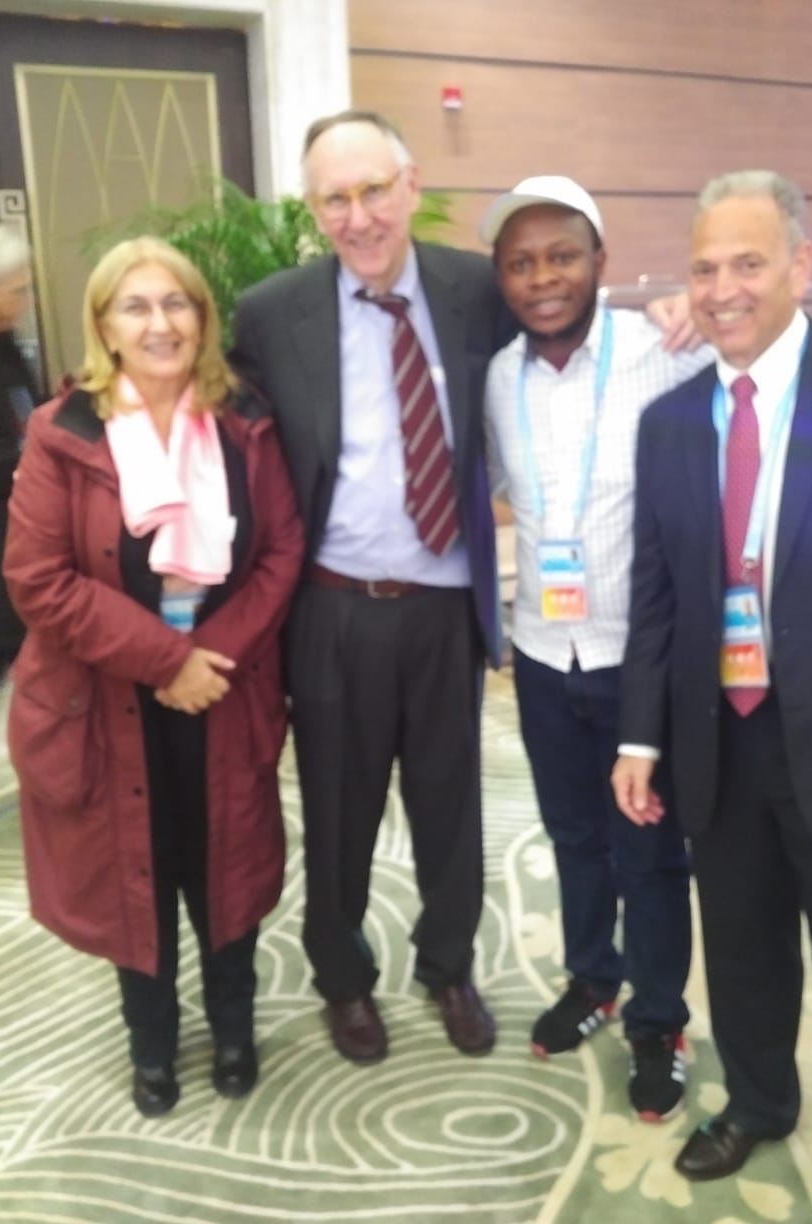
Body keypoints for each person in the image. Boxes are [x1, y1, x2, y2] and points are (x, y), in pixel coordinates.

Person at [480, 175, 812, 1120]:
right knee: (625, 870)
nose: (543, 277)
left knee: (689, 874)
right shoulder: (528, 384)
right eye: (520, 263)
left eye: (563, 256)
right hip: (605, 676)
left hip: (750, 696)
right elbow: (628, 570)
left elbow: (781, 352)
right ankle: (656, 1027)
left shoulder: (684, 350)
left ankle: (675, 1032)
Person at [612, 172, 812, 1224]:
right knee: (739, 944)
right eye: (704, 268)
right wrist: (640, 738)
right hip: (719, 734)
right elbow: (656, 594)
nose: (723, 288)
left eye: (748, 262)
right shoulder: (669, 423)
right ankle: (760, 1101)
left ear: (801, 265)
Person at [229, 109, 514, 1063]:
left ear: (411, 184)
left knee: (450, 804)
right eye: (335, 200)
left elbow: (574, 323)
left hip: (444, 606)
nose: (358, 218)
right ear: (314, 209)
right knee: (338, 811)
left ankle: (448, 964)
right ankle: (343, 981)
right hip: (333, 608)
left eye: (375, 191)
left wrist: (672, 316)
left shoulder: (476, 290)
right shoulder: (273, 312)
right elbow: (220, 421)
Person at [4, 236, 304, 1118]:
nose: (159, 323)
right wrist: (167, 660)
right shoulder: (62, 432)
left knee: (226, 865)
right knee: (135, 871)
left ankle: (235, 1028)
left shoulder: (245, 421)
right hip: (107, 697)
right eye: (135, 306)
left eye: (176, 302)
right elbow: (38, 579)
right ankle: (153, 1044)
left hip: (223, 689)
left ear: (202, 319)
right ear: (104, 325)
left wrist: (208, 663)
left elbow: (281, 552)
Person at [0, 224, 39, 689]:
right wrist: (24, 464)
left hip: (21, 508)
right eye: (17, 290)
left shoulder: (6, 340)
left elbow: (29, 407)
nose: (25, 299)